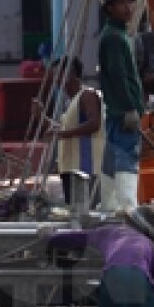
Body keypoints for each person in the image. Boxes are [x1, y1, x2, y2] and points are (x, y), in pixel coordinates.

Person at [98, 0, 146, 210]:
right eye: (121, 4)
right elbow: (119, 77)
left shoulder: (115, 34)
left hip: (117, 111)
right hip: (123, 111)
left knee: (111, 161)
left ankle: (109, 207)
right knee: (126, 157)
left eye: (129, 2)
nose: (128, 8)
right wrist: (130, 107)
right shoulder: (115, 38)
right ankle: (128, 208)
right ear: (109, 8)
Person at [49, 56, 106, 209]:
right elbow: (63, 129)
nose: (55, 80)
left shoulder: (87, 95)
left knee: (87, 212)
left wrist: (63, 135)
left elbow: (94, 124)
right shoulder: (70, 102)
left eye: (57, 74)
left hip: (86, 168)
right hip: (70, 168)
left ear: (70, 74)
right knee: (74, 212)